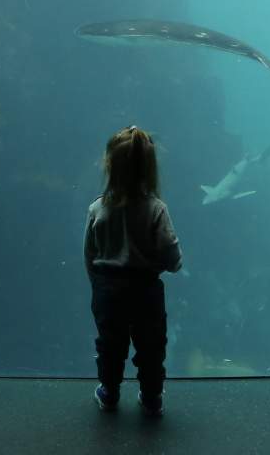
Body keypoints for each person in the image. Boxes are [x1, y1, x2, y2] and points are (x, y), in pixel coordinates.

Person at [84, 126, 183, 418]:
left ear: (109, 165)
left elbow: (90, 253)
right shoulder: (156, 209)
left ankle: (109, 392)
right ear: (151, 168)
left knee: (110, 345)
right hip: (146, 290)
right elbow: (170, 251)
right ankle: (152, 397)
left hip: (108, 290)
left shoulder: (97, 209)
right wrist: (173, 264)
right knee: (151, 346)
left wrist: (97, 285)